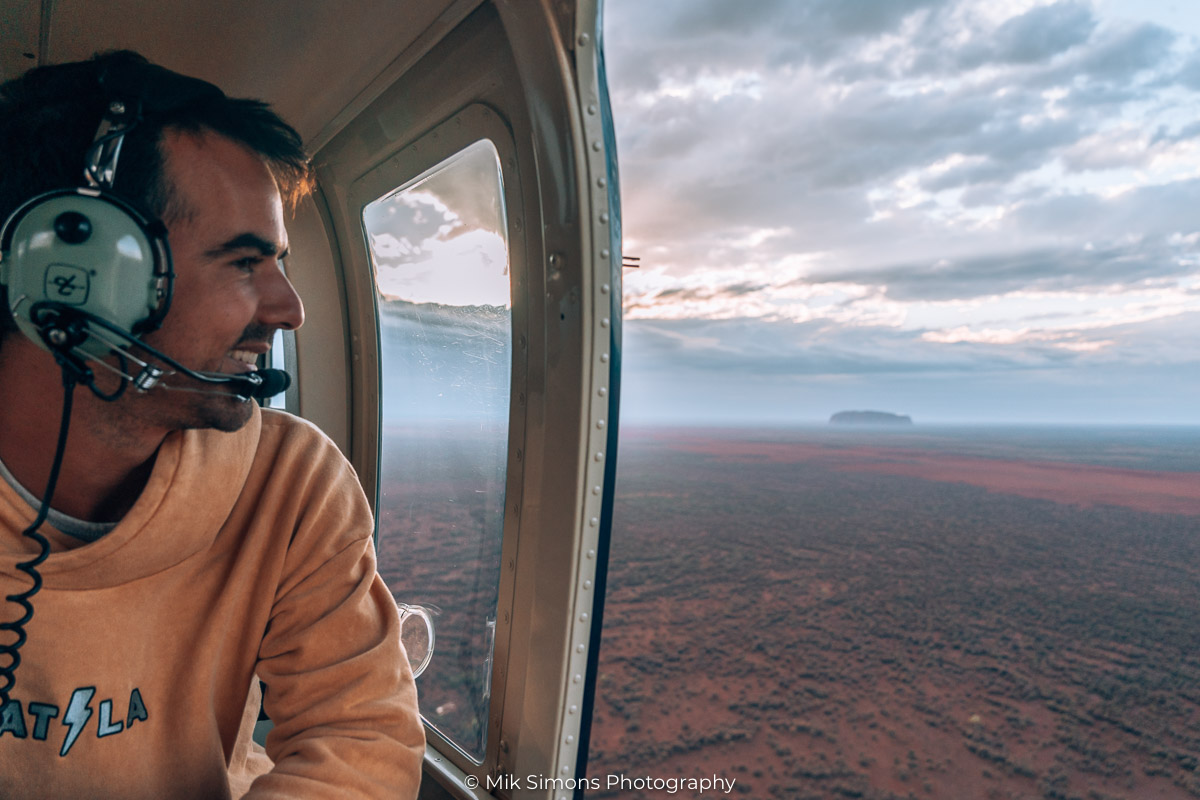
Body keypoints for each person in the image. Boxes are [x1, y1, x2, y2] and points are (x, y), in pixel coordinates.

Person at [0, 51, 424, 798]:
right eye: (243, 262)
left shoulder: (291, 483)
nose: (289, 309)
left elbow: (360, 738)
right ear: (77, 275)